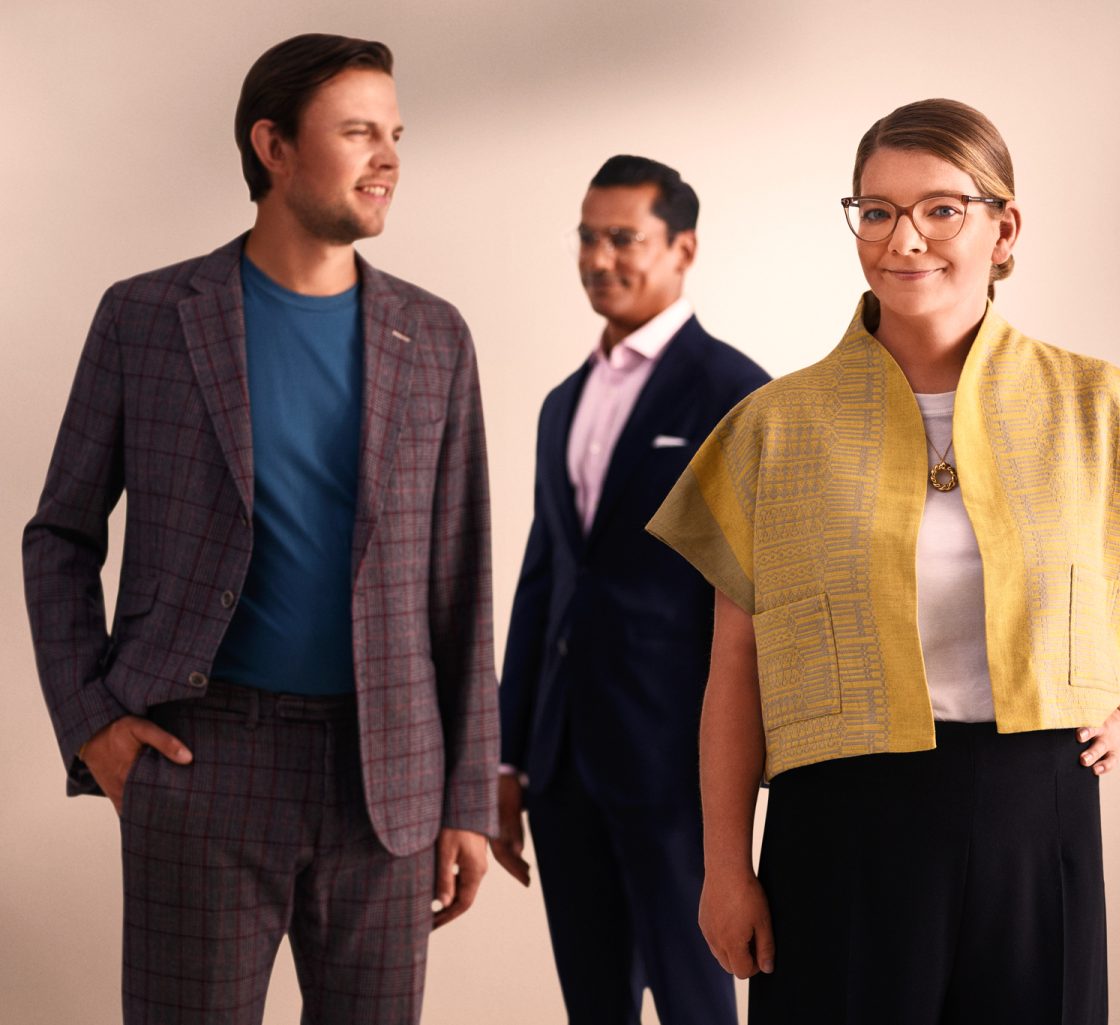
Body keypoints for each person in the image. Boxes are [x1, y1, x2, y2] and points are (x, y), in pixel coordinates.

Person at [646, 98, 1120, 1023]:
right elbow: (734, 664)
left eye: (941, 209)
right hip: (837, 821)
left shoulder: (1094, 405)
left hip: (1035, 812)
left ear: (1005, 229)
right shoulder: (774, 427)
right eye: (877, 211)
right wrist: (726, 866)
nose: (904, 238)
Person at [21, 34, 497, 1025]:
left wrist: (467, 796)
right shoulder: (146, 317)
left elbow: (461, 580)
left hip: (387, 780)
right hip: (201, 762)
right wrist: (91, 722)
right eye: (358, 131)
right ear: (273, 146)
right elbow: (60, 535)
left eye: (395, 133)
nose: (388, 157)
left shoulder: (436, 337)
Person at [494, 155, 769, 1024]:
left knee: (696, 1003)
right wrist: (506, 757)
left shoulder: (737, 394)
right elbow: (544, 581)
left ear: (683, 248)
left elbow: (757, 595)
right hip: (560, 765)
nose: (598, 257)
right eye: (587, 237)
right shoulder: (562, 401)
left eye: (623, 238)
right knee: (594, 1005)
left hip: (677, 766)